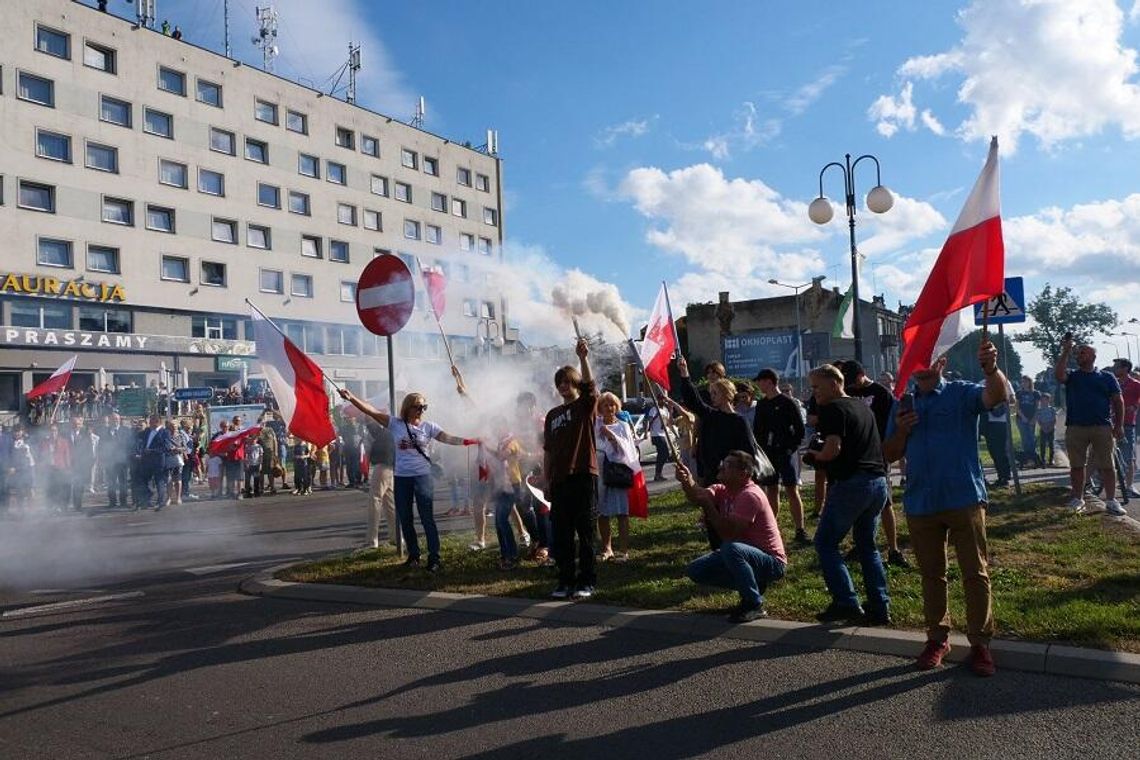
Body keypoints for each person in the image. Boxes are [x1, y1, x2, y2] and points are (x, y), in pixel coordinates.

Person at [883, 341, 1008, 677]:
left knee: (975, 572)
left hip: (963, 497)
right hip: (921, 501)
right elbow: (890, 453)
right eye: (917, 358)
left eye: (929, 356)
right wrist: (904, 430)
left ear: (942, 360)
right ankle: (937, 639)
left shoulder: (961, 393)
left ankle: (980, 644)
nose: (922, 363)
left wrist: (990, 368)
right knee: (932, 575)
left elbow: (995, 396)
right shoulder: (901, 403)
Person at [339, 388, 479, 573]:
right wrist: (352, 398)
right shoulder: (395, 424)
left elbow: (447, 438)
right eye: (418, 406)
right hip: (402, 478)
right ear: (408, 407)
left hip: (423, 477)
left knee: (427, 518)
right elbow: (369, 411)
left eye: (424, 406)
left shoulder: (429, 427)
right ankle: (414, 556)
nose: (421, 410)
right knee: (405, 519)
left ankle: (434, 557)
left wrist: (468, 441)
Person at [804, 364, 891, 627]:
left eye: (817, 387)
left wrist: (814, 457)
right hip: (877, 483)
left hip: (852, 484)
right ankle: (880, 605)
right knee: (867, 546)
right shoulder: (862, 407)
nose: (814, 393)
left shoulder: (832, 409)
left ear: (834, 383)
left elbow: (832, 449)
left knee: (825, 543)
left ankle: (846, 601)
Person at [677, 453, 786, 623]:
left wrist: (709, 508)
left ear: (743, 474)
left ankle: (753, 604)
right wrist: (687, 481)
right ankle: (752, 587)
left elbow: (728, 534)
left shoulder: (749, 495)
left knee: (731, 547)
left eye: (727, 465)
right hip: (743, 554)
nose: (721, 467)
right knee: (696, 570)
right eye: (723, 462)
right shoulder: (724, 490)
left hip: (771, 561)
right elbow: (698, 496)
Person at [542, 338, 600, 599]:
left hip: (584, 475)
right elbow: (548, 451)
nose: (564, 386)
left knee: (585, 531)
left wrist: (583, 358)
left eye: (568, 382)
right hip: (560, 480)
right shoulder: (552, 415)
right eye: (560, 383)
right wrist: (546, 479)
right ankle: (565, 580)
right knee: (562, 534)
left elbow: (590, 387)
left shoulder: (585, 406)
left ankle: (586, 581)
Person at [839, 360, 910, 568]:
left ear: (863, 374)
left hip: (878, 453)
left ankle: (893, 548)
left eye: (854, 380)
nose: (852, 385)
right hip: (854, 455)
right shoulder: (849, 392)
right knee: (857, 502)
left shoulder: (880, 393)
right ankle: (860, 543)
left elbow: (891, 423)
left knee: (885, 503)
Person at [1055, 339, 1125, 515]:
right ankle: (1078, 499)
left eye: (1083, 352)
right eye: (1078, 353)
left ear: (1093, 356)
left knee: (1107, 466)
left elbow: (1118, 401)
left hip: (1102, 426)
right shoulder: (1073, 376)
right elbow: (1059, 375)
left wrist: (1119, 425)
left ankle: (1111, 500)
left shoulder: (1107, 377)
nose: (1079, 355)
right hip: (1076, 427)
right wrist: (1065, 351)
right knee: (1077, 466)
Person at [753, 369, 808, 547]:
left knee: (792, 489)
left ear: (769, 382)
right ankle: (772, 527)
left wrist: (790, 448)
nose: (759, 385)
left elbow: (800, 430)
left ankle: (800, 529)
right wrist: (759, 451)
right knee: (771, 489)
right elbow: (758, 431)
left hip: (785, 453)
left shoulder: (787, 402)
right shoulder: (761, 405)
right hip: (768, 454)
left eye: (760, 381)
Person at [596, 392, 637, 562]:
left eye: (612, 404)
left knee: (622, 512)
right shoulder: (595, 425)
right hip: (599, 472)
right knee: (602, 512)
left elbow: (629, 451)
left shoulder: (623, 426)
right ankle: (607, 548)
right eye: (605, 405)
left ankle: (624, 550)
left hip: (617, 473)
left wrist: (612, 437)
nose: (609, 408)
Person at [363, 421, 396, 549]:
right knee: (389, 503)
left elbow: (372, 428)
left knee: (375, 501)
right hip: (389, 466)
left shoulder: (382, 432)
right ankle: (396, 537)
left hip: (382, 465)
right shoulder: (389, 432)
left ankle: (372, 540)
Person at [1112, 359, 1140, 497]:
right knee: (1104, 454)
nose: (1113, 368)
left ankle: (1129, 487)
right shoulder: (1112, 383)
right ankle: (1100, 483)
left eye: (1116, 367)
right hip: (1110, 423)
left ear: (1125, 368)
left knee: (1129, 456)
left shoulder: (1135, 384)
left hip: (1128, 424)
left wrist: (1134, 407)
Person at [1014, 376, 1042, 467]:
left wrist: (1034, 418)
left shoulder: (1036, 393)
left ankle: (1033, 459)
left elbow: (1037, 407)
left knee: (1031, 439)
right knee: (1025, 439)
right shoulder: (1019, 393)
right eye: (1022, 381)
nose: (1024, 383)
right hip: (1021, 419)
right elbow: (1017, 407)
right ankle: (1026, 459)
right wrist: (1023, 417)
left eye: (1026, 381)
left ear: (1030, 382)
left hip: (1032, 419)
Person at [642, 401, 672, 482]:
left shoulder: (665, 410)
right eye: (660, 399)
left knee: (664, 454)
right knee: (664, 453)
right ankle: (657, 474)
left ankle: (658, 474)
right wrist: (645, 433)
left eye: (663, 399)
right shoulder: (654, 409)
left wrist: (671, 410)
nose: (662, 401)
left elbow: (669, 422)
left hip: (663, 434)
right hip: (656, 434)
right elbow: (648, 420)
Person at [1036, 394, 1057, 467]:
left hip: (1051, 428)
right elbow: (1039, 420)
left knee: (1051, 444)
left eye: (1045, 400)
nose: (1043, 402)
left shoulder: (1052, 409)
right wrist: (1043, 427)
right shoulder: (1039, 410)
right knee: (1043, 445)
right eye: (1042, 400)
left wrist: (1051, 427)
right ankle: (1043, 460)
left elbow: (1054, 419)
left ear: (1048, 400)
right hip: (1043, 428)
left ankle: (1051, 460)